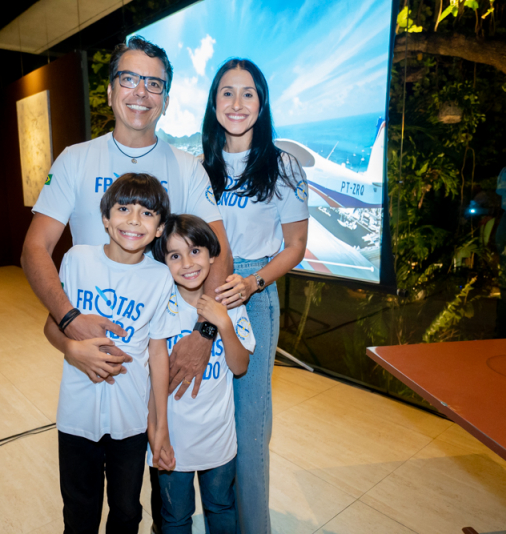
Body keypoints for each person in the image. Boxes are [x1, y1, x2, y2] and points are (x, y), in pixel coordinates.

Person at [20, 36, 232, 530]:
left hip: (165, 352)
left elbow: (219, 254)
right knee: (83, 500)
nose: (141, 92)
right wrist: (70, 324)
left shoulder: (187, 167)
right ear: (111, 90)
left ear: (165, 98)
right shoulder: (75, 159)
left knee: (153, 496)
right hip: (87, 352)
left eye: (154, 83)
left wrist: (203, 335)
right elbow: (35, 249)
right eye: (130, 79)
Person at [202, 59, 310, 534]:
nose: (237, 103)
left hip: (255, 293)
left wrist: (251, 284)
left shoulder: (283, 166)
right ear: (214, 103)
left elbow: (296, 247)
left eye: (248, 93)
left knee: (249, 427)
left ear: (262, 104)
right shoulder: (200, 166)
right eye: (227, 92)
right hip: (204, 292)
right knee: (209, 418)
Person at [45, 173, 179, 533]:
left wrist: (160, 426)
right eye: (123, 209)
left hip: (130, 419)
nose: (134, 220)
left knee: (127, 511)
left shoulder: (161, 278)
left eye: (147, 213)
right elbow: (50, 326)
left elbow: (158, 354)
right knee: (79, 513)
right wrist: (72, 348)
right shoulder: (77, 259)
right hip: (77, 415)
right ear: (105, 218)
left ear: (159, 228)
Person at [148, 214, 255, 533]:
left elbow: (240, 366)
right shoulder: (160, 306)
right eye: (175, 255)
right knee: (175, 517)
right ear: (163, 262)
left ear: (211, 254)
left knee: (221, 508)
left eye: (195, 251)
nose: (187, 264)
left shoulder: (230, 305)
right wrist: (157, 434)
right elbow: (151, 382)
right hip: (172, 440)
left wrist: (223, 323)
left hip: (218, 439)